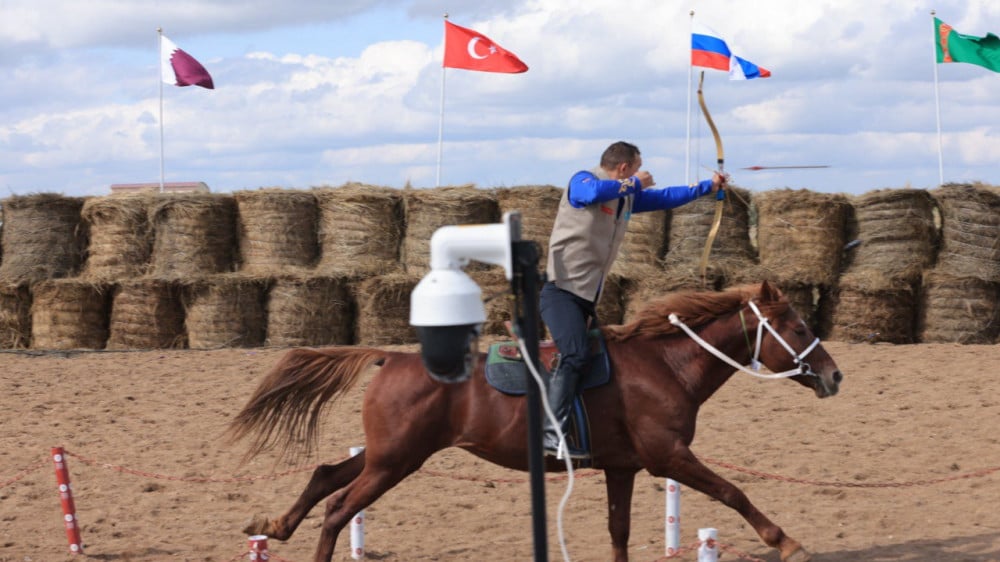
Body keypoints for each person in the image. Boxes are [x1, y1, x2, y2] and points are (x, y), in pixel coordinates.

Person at [540, 141, 726, 459]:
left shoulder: (625, 196)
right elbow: (589, 195)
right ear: (624, 167)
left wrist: (707, 187)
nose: (641, 172)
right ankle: (550, 433)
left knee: (603, 362)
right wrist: (632, 184)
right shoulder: (583, 180)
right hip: (561, 291)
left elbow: (665, 197)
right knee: (574, 355)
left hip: (585, 297)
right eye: (637, 167)